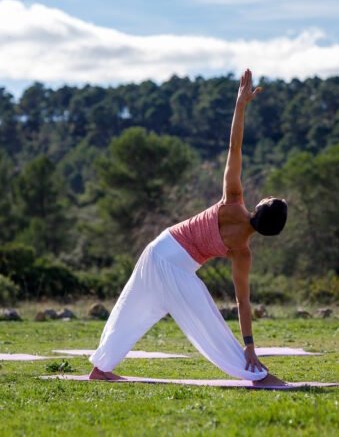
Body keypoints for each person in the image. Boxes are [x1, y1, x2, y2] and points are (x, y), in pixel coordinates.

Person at [89, 69, 288, 386]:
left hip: (160, 249)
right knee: (201, 318)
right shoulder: (242, 252)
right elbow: (242, 302)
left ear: (262, 207)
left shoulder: (233, 201)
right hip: (171, 260)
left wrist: (240, 104)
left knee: (135, 309)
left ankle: (101, 368)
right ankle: (255, 372)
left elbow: (234, 149)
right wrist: (250, 344)